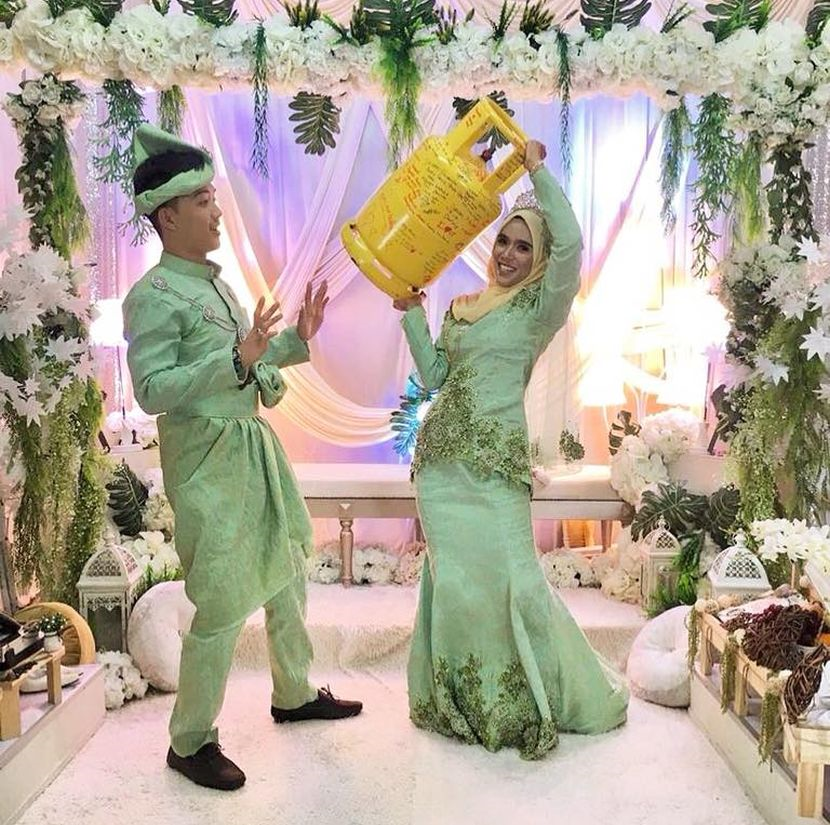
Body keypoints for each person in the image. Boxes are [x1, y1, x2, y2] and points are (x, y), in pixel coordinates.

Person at [122, 124, 362, 792]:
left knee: (287, 570)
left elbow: (247, 360)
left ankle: (294, 692)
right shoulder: (153, 297)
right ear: (168, 215)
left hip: (251, 447)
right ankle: (190, 739)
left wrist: (293, 340)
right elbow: (152, 389)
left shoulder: (217, 287)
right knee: (223, 598)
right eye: (203, 201)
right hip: (206, 460)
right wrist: (237, 356)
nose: (217, 212)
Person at [394, 139, 628, 760]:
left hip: (496, 468)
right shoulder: (463, 306)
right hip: (440, 468)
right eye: (504, 241)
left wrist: (536, 171)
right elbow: (436, 376)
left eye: (524, 247)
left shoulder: (539, 308)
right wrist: (411, 314)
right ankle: (463, 700)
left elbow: (572, 246)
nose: (509, 254)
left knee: (516, 582)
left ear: (538, 258)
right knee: (457, 586)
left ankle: (529, 698)